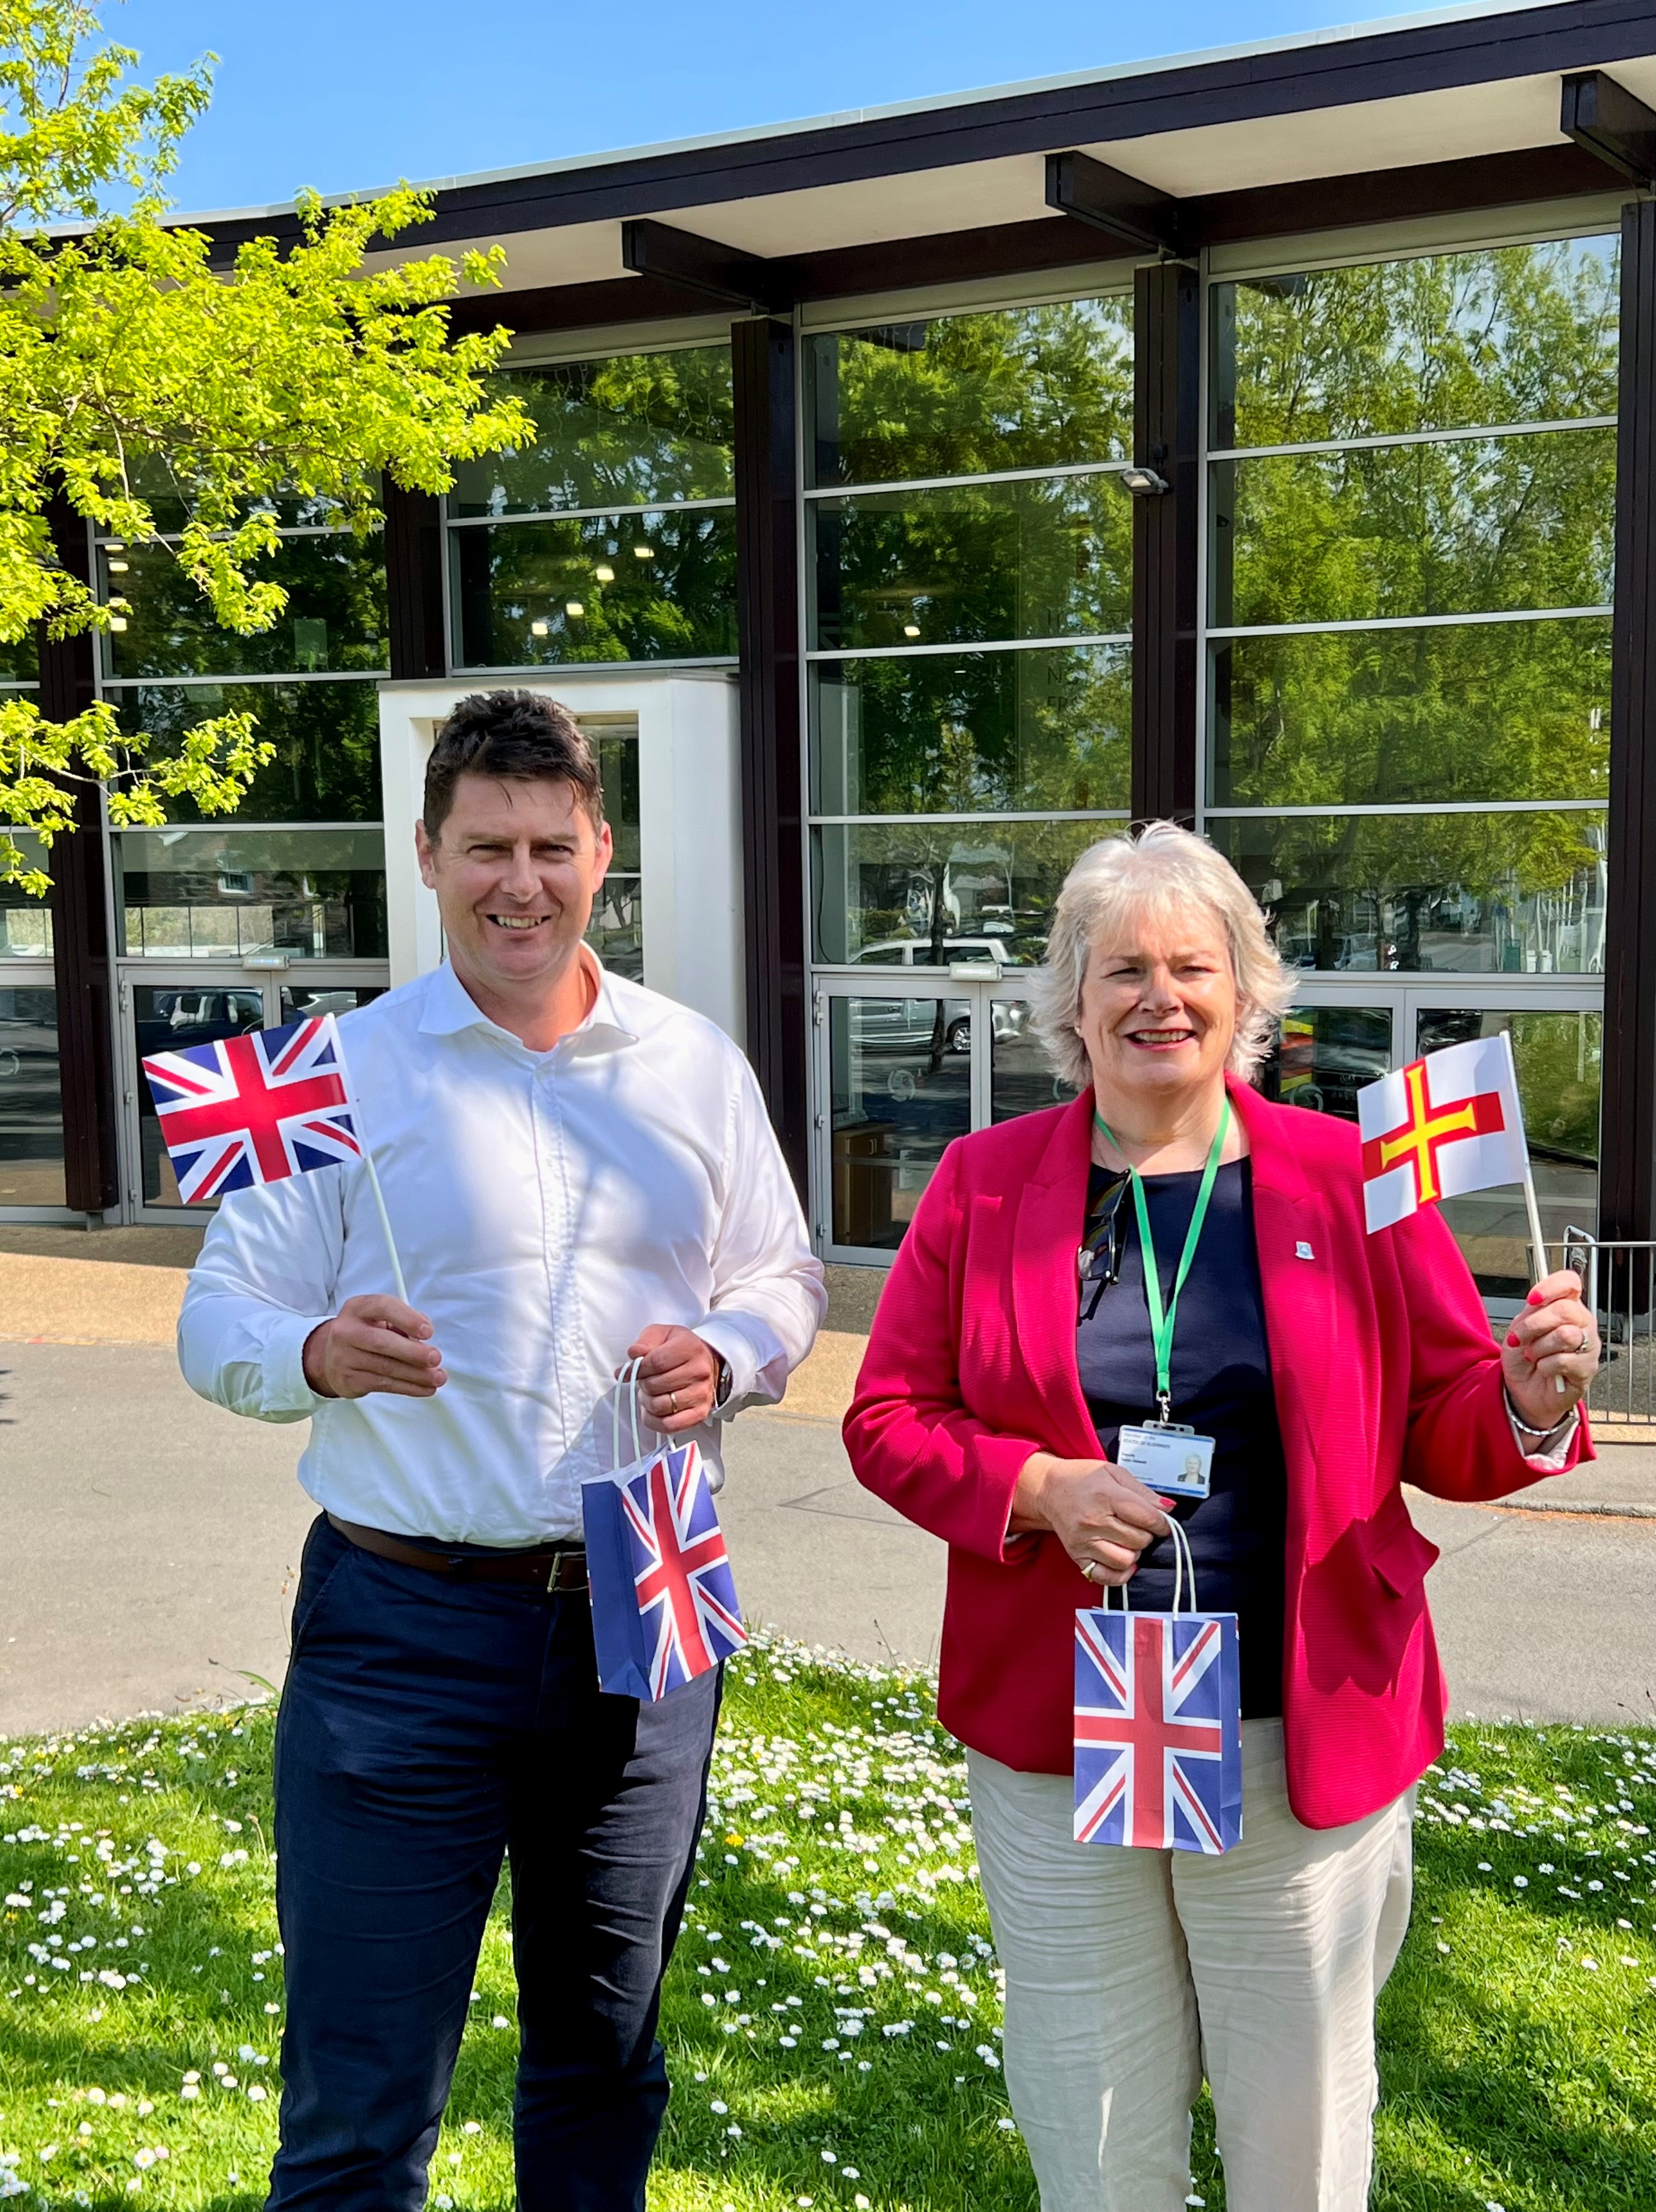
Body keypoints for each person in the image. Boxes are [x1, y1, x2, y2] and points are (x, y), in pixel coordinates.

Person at [842, 821, 1598, 2212]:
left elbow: (1446, 1418)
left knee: (1298, 2128)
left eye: (1194, 965)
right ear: (1071, 1000)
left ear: (1247, 994)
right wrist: (1034, 1486)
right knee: (1095, 2112)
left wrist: (1530, 1399)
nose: (1159, 996)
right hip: (1062, 1729)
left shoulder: (1347, 1173)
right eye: (1120, 966)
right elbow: (888, 1417)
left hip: (1291, 1723)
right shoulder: (985, 1180)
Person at [179, 689, 825, 2212]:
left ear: (602, 850)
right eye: (485, 848)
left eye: (550, 844)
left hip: (644, 1602)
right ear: (426, 855)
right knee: (360, 2088)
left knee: (606, 2058)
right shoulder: (336, 1073)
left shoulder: (692, 1067)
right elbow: (221, 1319)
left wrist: (726, 1354)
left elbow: (784, 1279)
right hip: (403, 1627)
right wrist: (314, 1353)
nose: (517, 881)